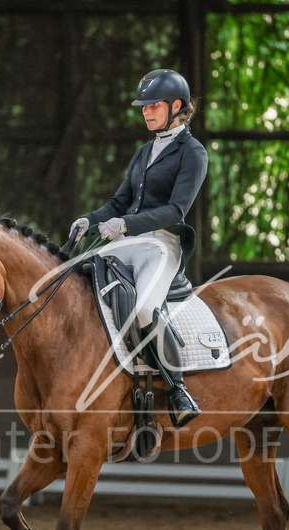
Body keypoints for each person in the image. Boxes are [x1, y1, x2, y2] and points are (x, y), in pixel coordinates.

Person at [69, 68, 208, 428]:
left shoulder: (192, 153)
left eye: (153, 105)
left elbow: (176, 210)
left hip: (161, 245)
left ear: (176, 106)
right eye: (143, 106)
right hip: (125, 240)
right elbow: (119, 202)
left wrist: (126, 225)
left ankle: (178, 390)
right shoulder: (144, 151)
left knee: (145, 309)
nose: (146, 111)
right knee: (77, 288)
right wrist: (90, 219)